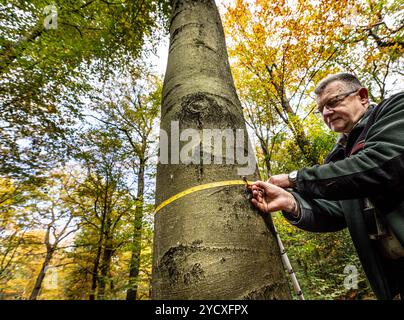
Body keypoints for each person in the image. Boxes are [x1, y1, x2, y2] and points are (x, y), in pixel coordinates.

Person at [249, 73, 404, 300]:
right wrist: (290, 202)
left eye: (332, 103)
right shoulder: (339, 156)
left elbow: (382, 164)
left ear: (362, 97)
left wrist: (294, 178)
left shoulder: (395, 109)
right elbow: (339, 212)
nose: (326, 113)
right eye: (321, 109)